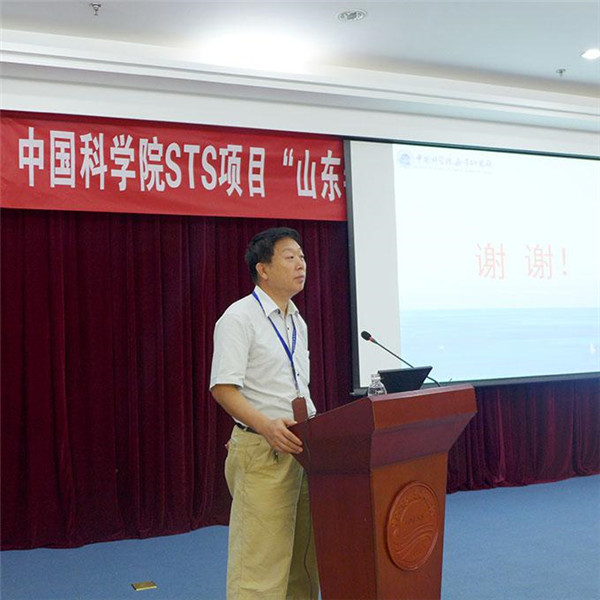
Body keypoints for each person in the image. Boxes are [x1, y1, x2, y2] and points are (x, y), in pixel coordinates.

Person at [210, 227, 319, 600]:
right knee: (260, 567)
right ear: (263, 269)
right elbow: (223, 388)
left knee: (302, 563)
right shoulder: (239, 318)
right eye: (290, 257)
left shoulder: (296, 321)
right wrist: (265, 427)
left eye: (302, 257)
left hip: (304, 448)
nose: (301, 264)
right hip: (265, 450)